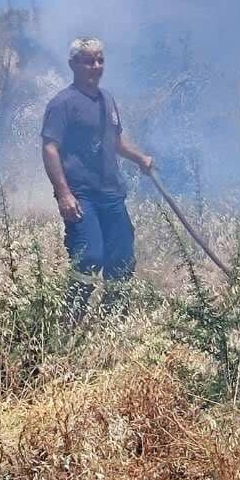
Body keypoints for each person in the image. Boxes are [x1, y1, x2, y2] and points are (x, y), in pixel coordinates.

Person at [41, 37, 153, 318]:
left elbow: (115, 141)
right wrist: (63, 193)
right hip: (81, 195)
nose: (96, 66)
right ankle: (69, 323)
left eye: (100, 59)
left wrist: (140, 158)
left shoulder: (107, 100)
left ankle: (112, 322)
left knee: (122, 260)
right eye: (89, 60)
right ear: (73, 64)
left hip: (112, 194)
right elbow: (50, 148)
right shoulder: (62, 103)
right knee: (89, 258)